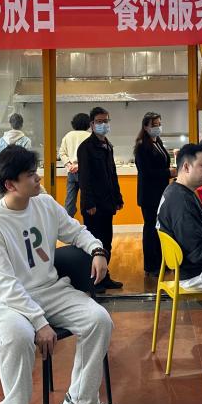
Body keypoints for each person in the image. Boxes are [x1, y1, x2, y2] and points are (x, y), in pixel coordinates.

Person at [0, 146, 117, 404]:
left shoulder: (44, 203)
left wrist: (97, 250)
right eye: (30, 175)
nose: (38, 178)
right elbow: (6, 284)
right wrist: (39, 323)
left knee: (99, 320)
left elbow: (76, 231)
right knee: (17, 337)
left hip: (50, 290)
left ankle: (80, 400)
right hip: (6, 301)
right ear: (11, 184)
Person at [156, 143, 202, 292]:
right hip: (195, 274)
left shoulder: (181, 190)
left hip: (200, 267)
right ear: (186, 167)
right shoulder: (181, 201)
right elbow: (199, 251)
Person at [78, 106, 124, 291]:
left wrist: (118, 197)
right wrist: (89, 203)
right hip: (93, 205)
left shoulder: (108, 145)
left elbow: (112, 174)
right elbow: (84, 178)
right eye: (99, 121)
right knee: (95, 244)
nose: (103, 124)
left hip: (107, 203)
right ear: (91, 124)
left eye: (106, 121)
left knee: (106, 242)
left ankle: (104, 277)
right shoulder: (86, 148)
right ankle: (93, 281)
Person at [134, 112, 172, 276]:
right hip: (149, 195)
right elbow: (146, 172)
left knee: (160, 228)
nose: (157, 127)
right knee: (150, 229)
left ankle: (162, 260)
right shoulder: (142, 146)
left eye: (159, 124)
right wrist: (168, 173)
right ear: (145, 127)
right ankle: (151, 265)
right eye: (154, 125)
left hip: (161, 193)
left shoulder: (158, 142)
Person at [59, 112, 92, 217]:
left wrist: (69, 165)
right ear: (88, 124)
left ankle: (67, 222)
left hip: (71, 172)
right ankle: (87, 222)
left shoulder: (68, 135)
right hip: (85, 172)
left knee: (70, 199)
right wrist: (79, 166)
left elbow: (62, 153)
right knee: (86, 199)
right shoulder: (90, 136)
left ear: (73, 123)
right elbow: (91, 156)